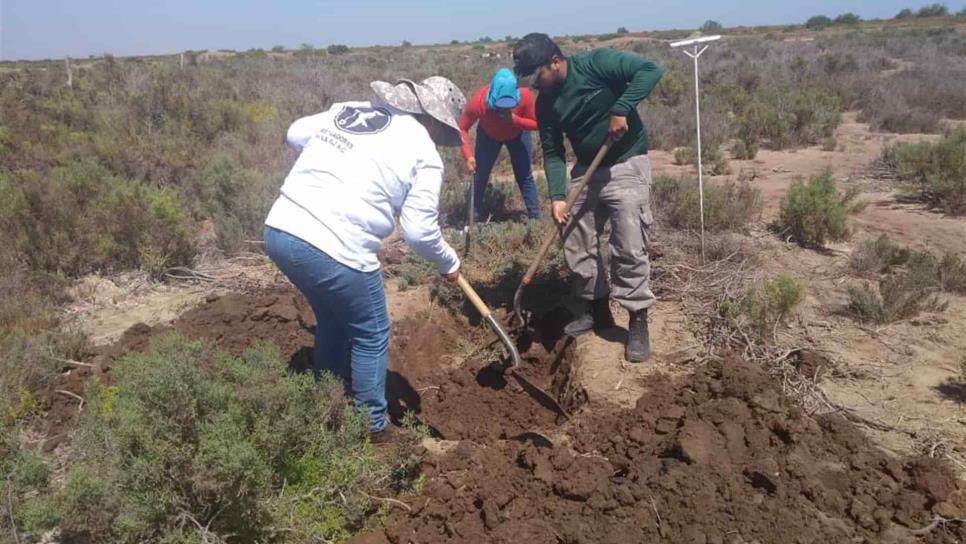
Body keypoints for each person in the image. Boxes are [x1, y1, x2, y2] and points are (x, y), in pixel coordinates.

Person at [263, 76, 465, 439]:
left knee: (332, 318)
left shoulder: (352, 109)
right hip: (335, 245)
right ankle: (374, 430)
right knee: (371, 331)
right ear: (434, 119)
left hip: (280, 230)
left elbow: (295, 133)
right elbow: (419, 233)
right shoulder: (424, 153)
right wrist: (449, 262)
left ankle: (327, 398)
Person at [512, 33, 663, 362]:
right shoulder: (546, 102)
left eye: (537, 76)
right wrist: (556, 197)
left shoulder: (596, 64)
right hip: (586, 169)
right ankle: (598, 310)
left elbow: (650, 70)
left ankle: (637, 318)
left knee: (628, 241)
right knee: (575, 236)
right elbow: (552, 153)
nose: (535, 84)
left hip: (625, 161)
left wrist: (621, 108)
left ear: (555, 61)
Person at [458, 67, 541, 221]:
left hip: (518, 134)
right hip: (488, 136)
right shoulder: (479, 102)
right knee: (480, 175)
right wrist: (468, 156)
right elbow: (462, 128)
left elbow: (537, 124)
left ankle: (536, 220)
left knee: (524, 175)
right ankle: (473, 219)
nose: (504, 111)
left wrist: (516, 120)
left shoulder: (525, 96)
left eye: (509, 107)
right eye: (499, 107)